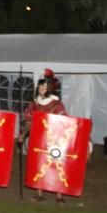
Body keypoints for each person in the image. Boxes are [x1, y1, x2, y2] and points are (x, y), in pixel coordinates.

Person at [21, 68, 68, 203]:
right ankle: (39, 193)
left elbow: (64, 121)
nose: (41, 89)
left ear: (50, 88)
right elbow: (29, 121)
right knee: (39, 165)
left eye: (44, 86)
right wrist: (23, 134)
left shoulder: (56, 104)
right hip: (38, 139)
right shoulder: (34, 104)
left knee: (57, 165)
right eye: (40, 86)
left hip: (55, 139)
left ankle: (59, 195)